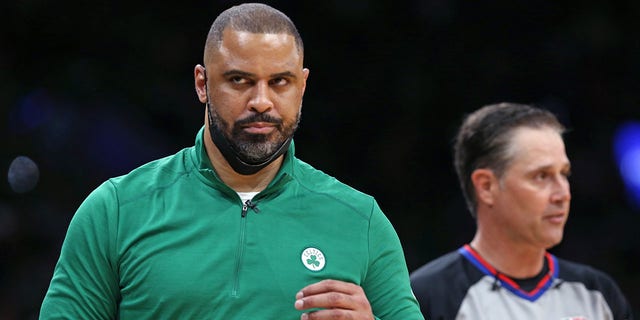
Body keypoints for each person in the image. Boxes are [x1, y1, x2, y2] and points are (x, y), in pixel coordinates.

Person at [39, 3, 423, 320]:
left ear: (302, 86)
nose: (261, 101)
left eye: (280, 82)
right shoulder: (117, 210)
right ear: (202, 84)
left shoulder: (361, 221)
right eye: (239, 80)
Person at [410, 102, 634, 319]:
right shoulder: (426, 297)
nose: (563, 193)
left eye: (564, 174)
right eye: (541, 176)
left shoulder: (598, 294)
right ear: (486, 186)